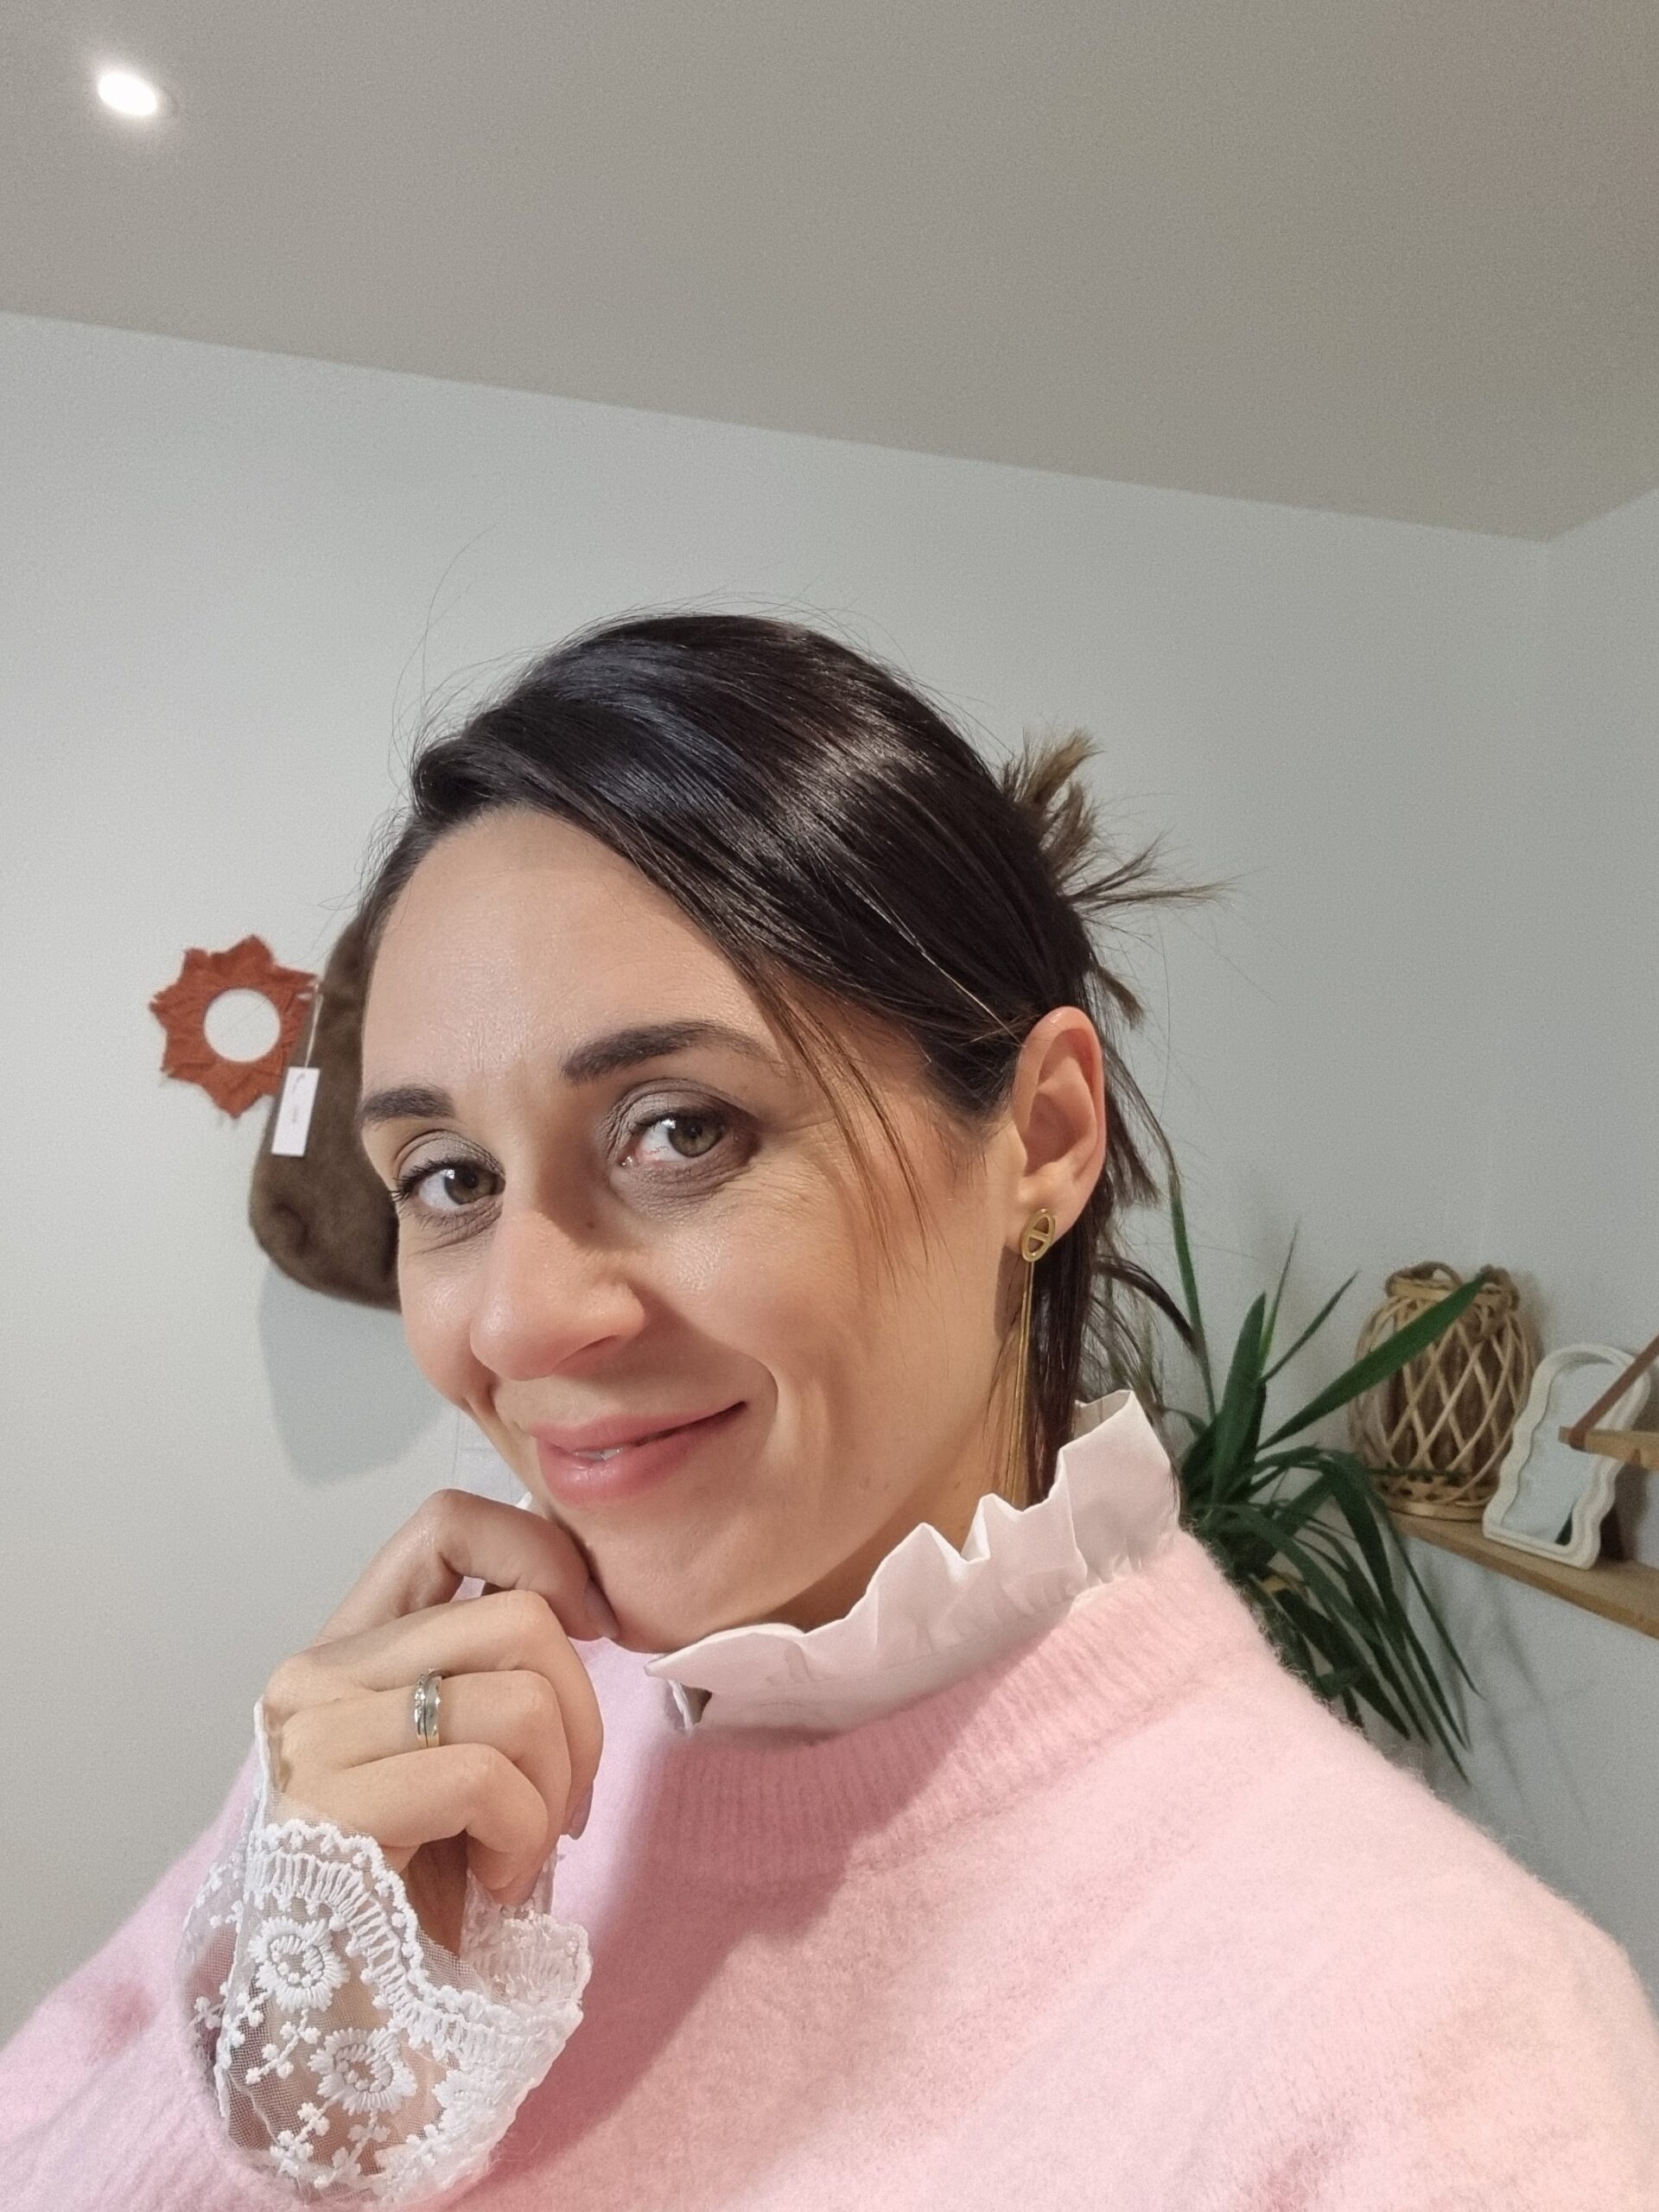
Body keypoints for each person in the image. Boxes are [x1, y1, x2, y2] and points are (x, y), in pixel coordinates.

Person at [3, 613, 1657, 2210]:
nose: (514, 1320)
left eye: (680, 1130)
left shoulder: (1433, 2043)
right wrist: (288, 2082)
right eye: (448, 1177)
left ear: (1044, 1140)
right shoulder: (393, 1757)